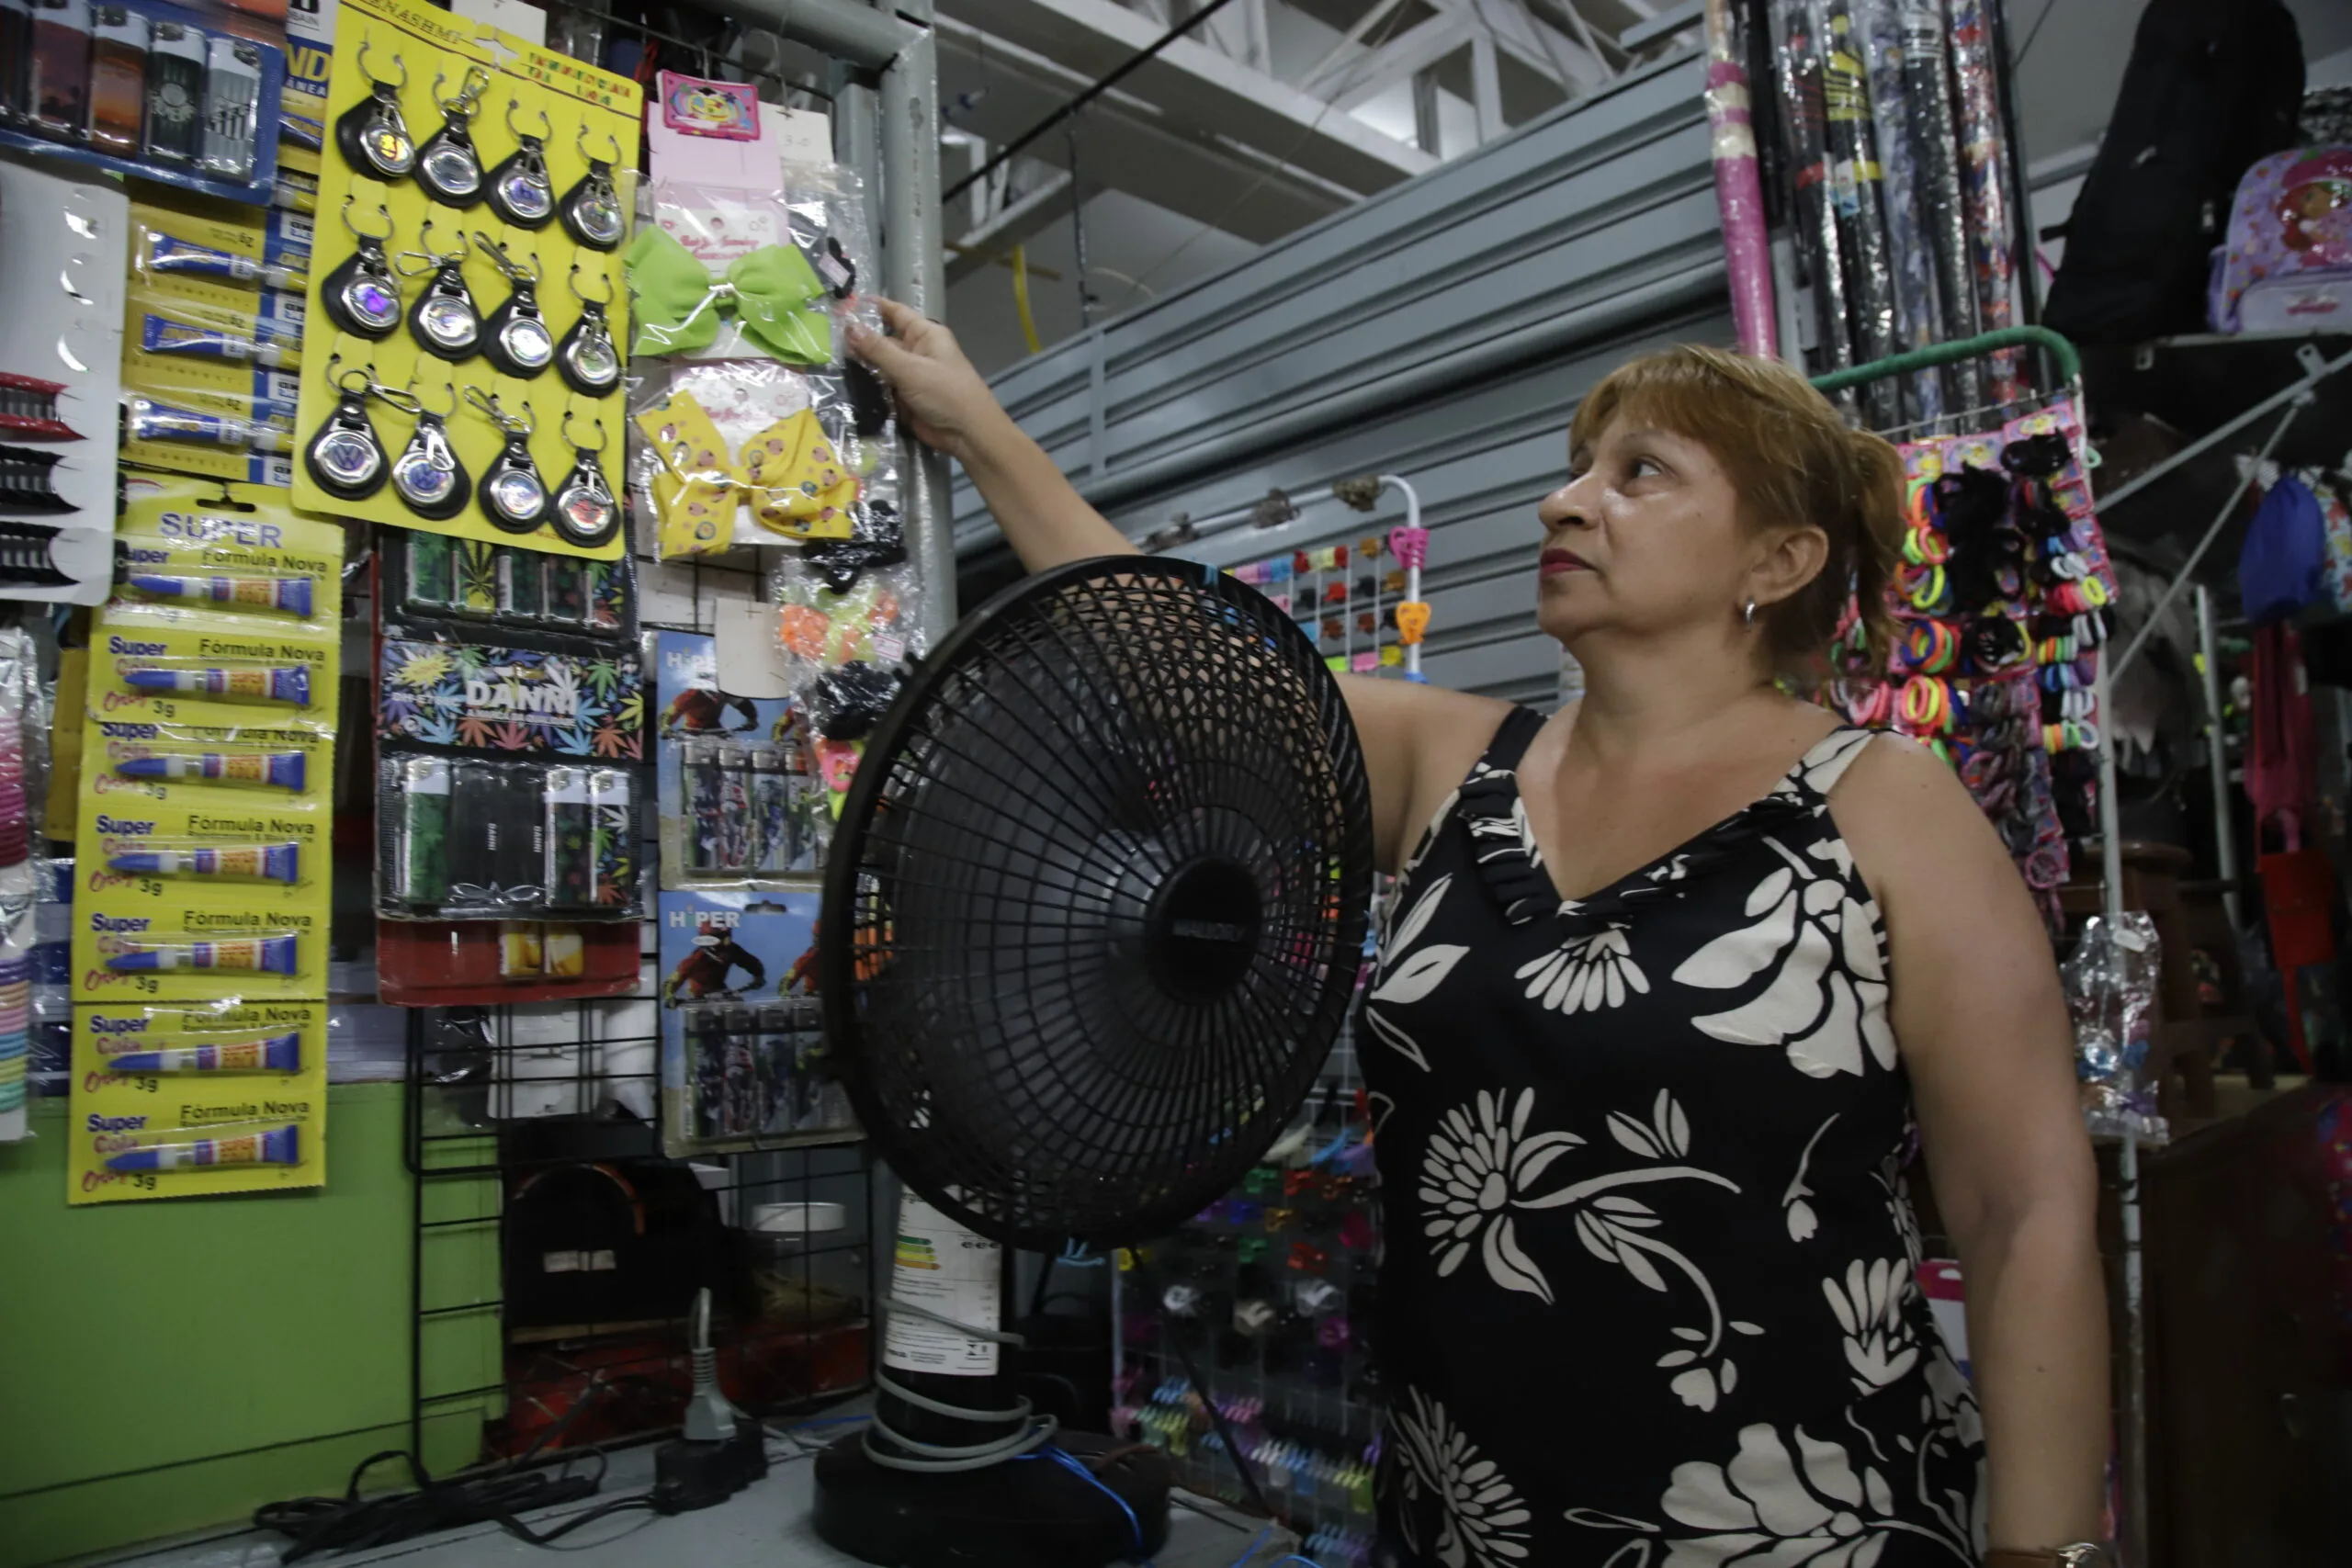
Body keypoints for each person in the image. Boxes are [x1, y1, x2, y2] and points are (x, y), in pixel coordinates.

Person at [849, 304, 2109, 1568]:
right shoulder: (1456, 766)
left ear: (1777, 562)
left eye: (1641, 473)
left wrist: (2044, 1552)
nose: (1565, 503)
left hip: (1799, 1513)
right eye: (1577, 467)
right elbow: (1171, 653)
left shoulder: (1885, 803)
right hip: (1472, 1510)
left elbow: (2022, 1203)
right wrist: (974, 423)